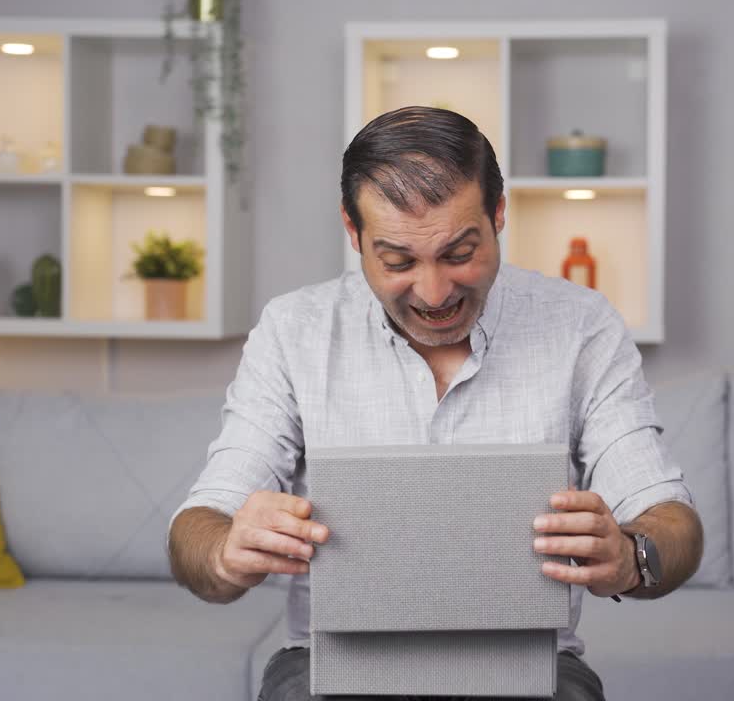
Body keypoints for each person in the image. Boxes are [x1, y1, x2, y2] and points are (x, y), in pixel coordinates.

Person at [167, 106, 704, 701]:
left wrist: (632, 556)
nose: (434, 293)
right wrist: (225, 553)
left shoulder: (581, 326)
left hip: (532, 671)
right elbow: (197, 527)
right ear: (354, 233)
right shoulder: (294, 330)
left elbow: (672, 522)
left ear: (498, 215)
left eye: (458, 254)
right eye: (398, 261)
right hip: (329, 671)